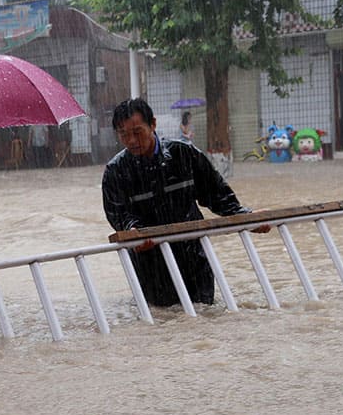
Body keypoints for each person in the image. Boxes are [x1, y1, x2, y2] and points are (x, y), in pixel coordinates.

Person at [101, 98, 268, 307]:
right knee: (163, 321)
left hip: (193, 257)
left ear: (153, 124)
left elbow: (216, 194)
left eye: (137, 132)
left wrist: (246, 218)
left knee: (204, 315)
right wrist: (133, 231)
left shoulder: (184, 154)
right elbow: (118, 214)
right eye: (123, 134)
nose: (132, 141)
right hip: (150, 263)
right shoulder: (116, 171)